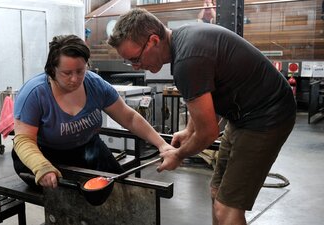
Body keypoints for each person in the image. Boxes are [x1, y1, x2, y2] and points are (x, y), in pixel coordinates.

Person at [108, 8, 296, 225]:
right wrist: (189, 131)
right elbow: (208, 93)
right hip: (243, 115)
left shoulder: (187, 61)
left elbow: (208, 133)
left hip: (267, 117)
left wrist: (178, 155)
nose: (136, 66)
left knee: (227, 208)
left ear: (153, 40)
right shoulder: (184, 39)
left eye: (135, 58)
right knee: (217, 191)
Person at [12, 34, 173, 190]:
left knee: (118, 190)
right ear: (52, 69)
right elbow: (24, 140)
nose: (75, 79)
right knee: (69, 199)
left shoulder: (95, 84)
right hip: (43, 155)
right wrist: (42, 167)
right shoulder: (35, 93)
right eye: (66, 73)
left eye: (80, 71)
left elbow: (129, 118)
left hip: (87, 149)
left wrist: (162, 144)